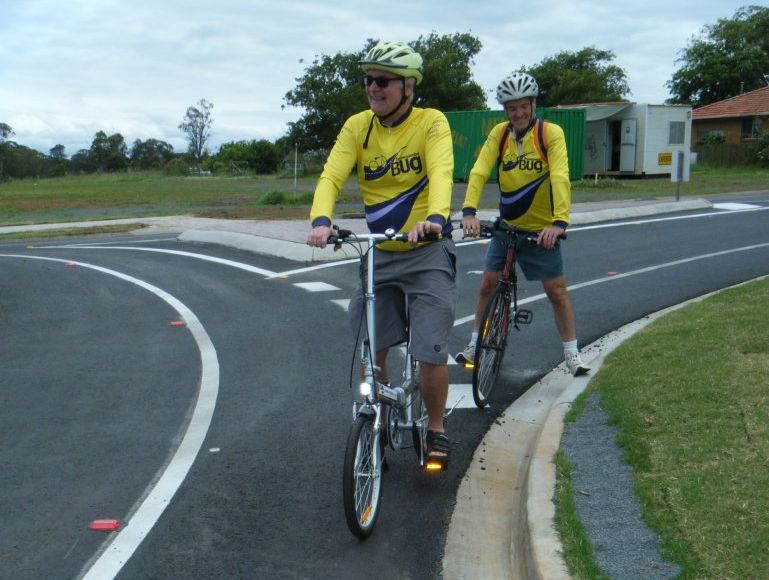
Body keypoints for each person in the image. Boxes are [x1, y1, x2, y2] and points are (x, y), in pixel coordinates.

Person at [307, 41, 457, 468]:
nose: (373, 87)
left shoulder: (431, 123)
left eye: (383, 80)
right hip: (381, 254)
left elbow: (442, 171)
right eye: (368, 79)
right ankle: (377, 416)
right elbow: (332, 175)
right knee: (370, 346)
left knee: (429, 348)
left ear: (408, 86)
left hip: (425, 249)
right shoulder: (358, 127)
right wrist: (321, 220)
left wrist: (436, 217)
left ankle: (435, 428)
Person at [456, 71, 590, 376]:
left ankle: (572, 354)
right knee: (488, 284)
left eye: (523, 106)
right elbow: (479, 171)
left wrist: (559, 223)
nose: (518, 113)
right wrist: (468, 211)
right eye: (511, 108)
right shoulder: (500, 134)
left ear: (533, 104)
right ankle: (474, 343)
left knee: (556, 291)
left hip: (542, 230)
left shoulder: (549, 133)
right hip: (508, 227)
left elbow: (559, 175)